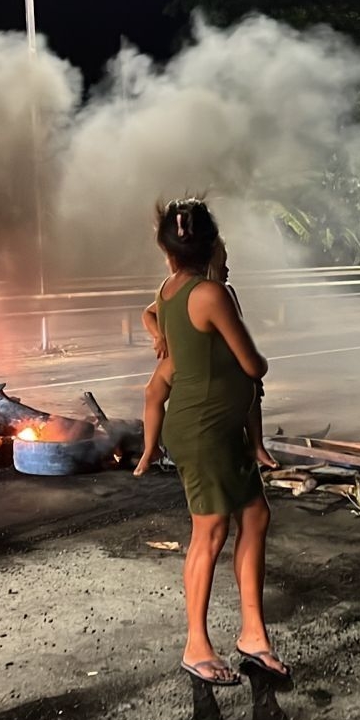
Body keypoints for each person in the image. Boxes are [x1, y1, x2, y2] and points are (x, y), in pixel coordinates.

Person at [134, 197, 290, 687]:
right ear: (212, 244)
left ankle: (252, 635)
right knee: (211, 531)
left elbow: (159, 322)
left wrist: (165, 338)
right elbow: (253, 363)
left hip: (214, 427)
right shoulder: (209, 294)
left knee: (255, 515)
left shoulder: (171, 289)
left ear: (168, 252)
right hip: (204, 430)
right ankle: (196, 646)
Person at [138, 239, 276, 474]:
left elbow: (238, 336)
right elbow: (148, 314)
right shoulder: (182, 291)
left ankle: (257, 444)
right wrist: (158, 336)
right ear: (210, 264)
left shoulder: (223, 292)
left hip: (215, 353)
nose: (228, 270)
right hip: (185, 353)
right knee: (152, 391)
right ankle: (150, 448)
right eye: (224, 264)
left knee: (251, 384)